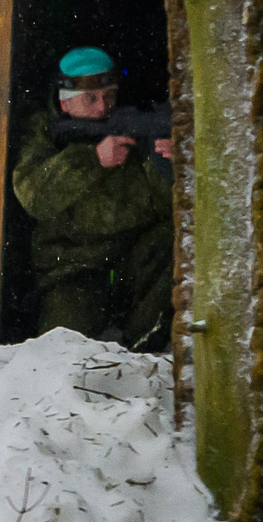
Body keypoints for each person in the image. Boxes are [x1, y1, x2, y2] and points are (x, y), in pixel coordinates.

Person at [10, 45, 176, 349]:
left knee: (171, 244)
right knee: (61, 347)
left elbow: (165, 208)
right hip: (73, 267)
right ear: (65, 103)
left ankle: (138, 347)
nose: (103, 108)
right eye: (91, 99)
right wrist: (93, 159)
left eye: (109, 96)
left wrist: (168, 163)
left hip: (132, 258)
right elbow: (32, 194)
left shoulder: (134, 125)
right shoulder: (45, 133)